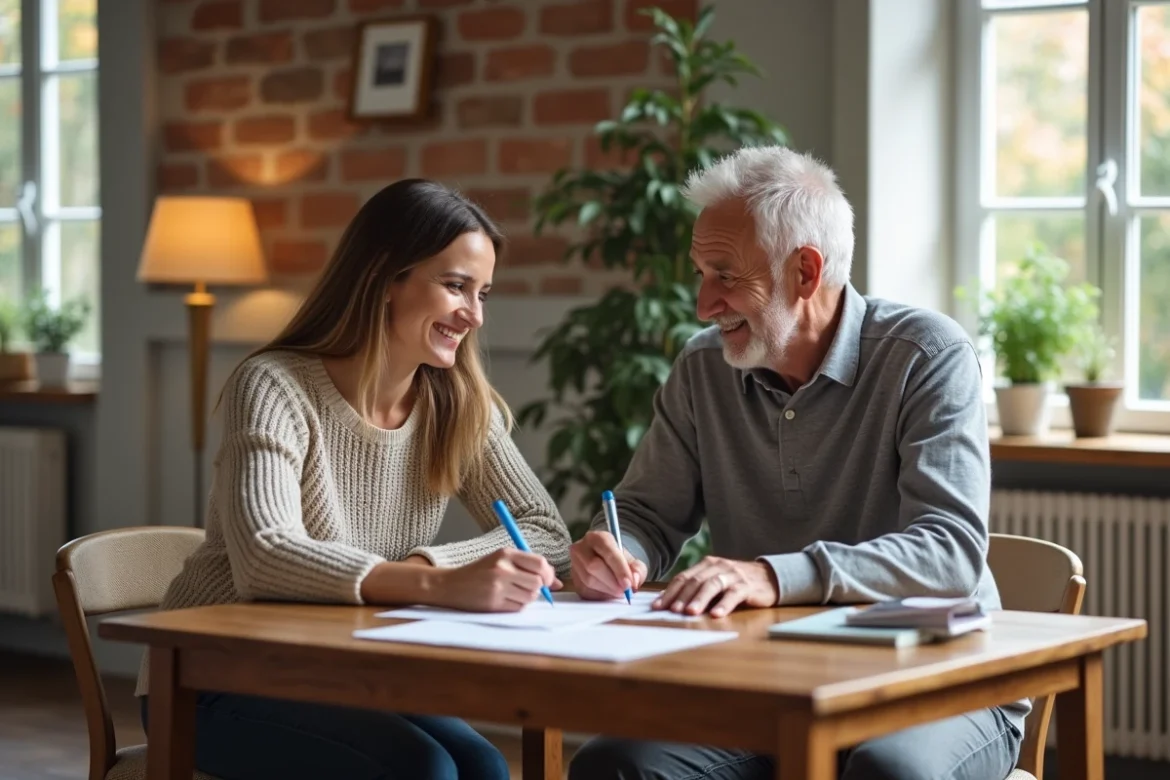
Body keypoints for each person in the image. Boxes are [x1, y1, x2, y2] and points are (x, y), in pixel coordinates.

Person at [567, 147, 1026, 780]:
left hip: (940, 677)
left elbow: (948, 554)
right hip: (770, 680)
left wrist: (772, 576)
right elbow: (647, 512)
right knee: (616, 766)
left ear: (805, 272)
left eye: (725, 275)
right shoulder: (703, 369)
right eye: (701, 273)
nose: (703, 304)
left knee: (887, 771)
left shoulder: (926, 355)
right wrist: (621, 550)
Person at [135, 178, 572, 780]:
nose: (473, 314)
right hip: (210, 677)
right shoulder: (273, 386)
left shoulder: (458, 403)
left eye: (483, 293)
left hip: (345, 671)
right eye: (455, 286)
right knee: (420, 768)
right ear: (384, 279)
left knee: (482, 764)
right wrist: (437, 583)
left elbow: (545, 532)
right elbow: (265, 556)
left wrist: (432, 565)